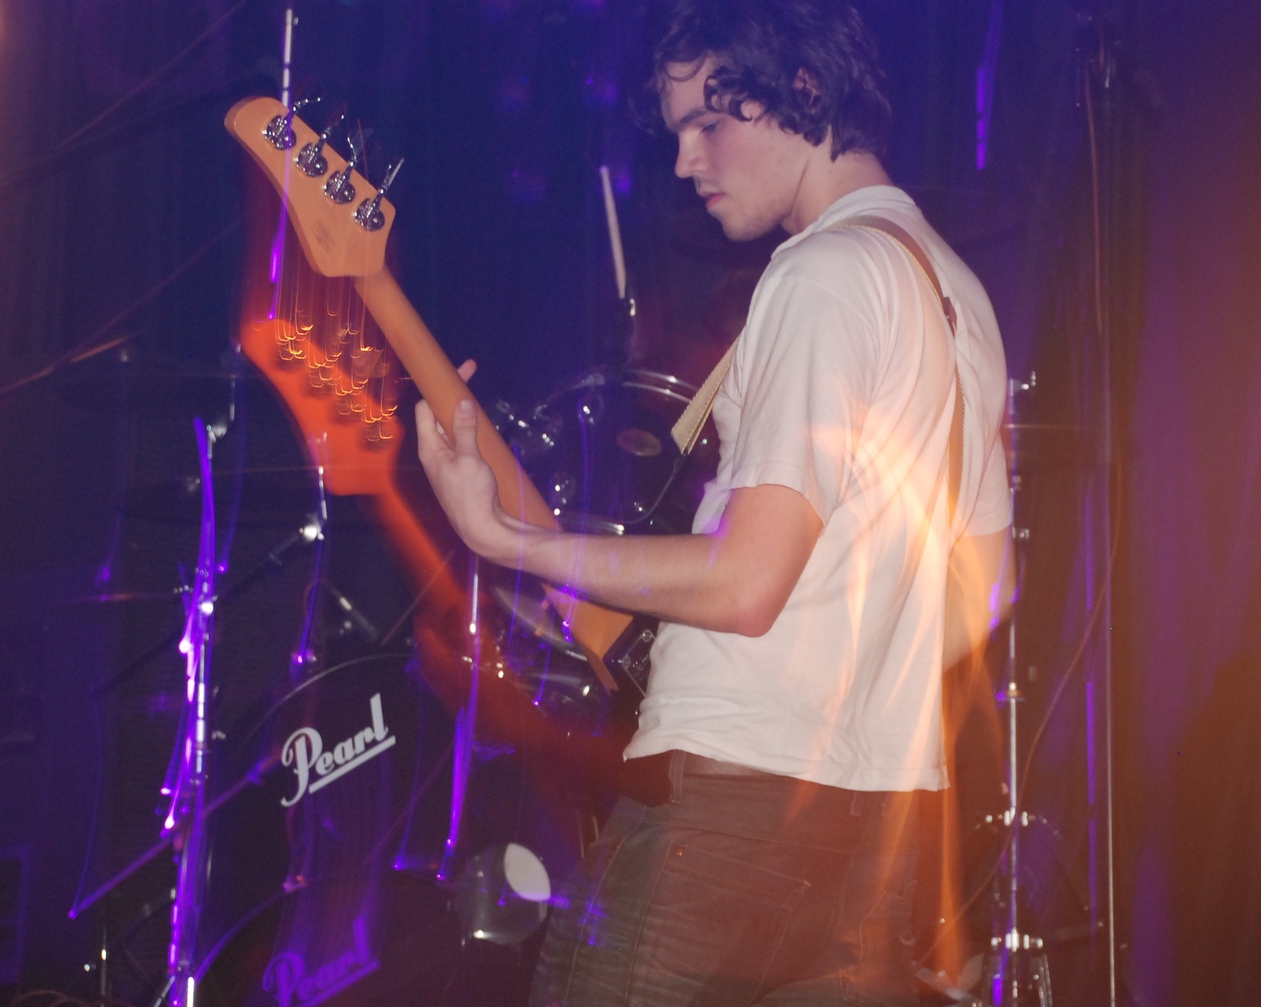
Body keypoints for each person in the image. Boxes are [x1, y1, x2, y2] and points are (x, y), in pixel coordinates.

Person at [416, 0, 1012, 1003]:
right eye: (677, 131)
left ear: (803, 92)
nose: (687, 161)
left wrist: (508, 537)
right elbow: (984, 592)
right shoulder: (962, 296)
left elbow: (745, 583)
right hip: (876, 832)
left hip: (726, 819)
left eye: (708, 122)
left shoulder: (822, 275)